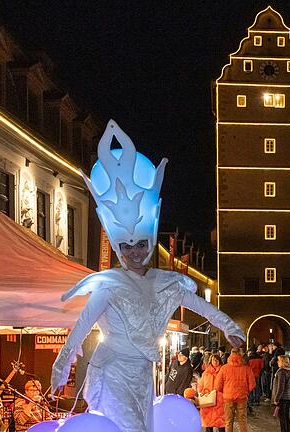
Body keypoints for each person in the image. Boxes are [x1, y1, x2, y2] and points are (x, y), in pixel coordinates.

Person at [51, 121, 246, 432]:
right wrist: (61, 365)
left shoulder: (165, 283)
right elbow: (83, 325)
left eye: (140, 244)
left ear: (150, 241)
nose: (134, 252)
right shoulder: (109, 284)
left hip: (142, 373)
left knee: (144, 427)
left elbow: (204, 308)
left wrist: (229, 328)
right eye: (126, 246)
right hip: (112, 369)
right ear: (117, 246)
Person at [215, 348, 256, 432]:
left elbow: (217, 385)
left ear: (230, 354)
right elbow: (252, 385)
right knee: (242, 420)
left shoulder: (224, 368)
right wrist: (246, 391)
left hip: (228, 398)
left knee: (228, 421)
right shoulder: (246, 368)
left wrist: (225, 392)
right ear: (240, 355)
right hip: (242, 397)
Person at [198, 355, 225, 432]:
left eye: (217, 360)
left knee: (221, 424)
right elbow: (201, 385)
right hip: (208, 400)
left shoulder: (223, 371)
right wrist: (201, 393)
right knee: (208, 424)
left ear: (220, 361)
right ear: (210, 361)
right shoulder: (206, 373)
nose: (215, 361)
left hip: (220, 401)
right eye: (213, 360)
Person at [272, 355, 290, 432]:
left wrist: (276, 399)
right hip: (289, 396)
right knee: (286, 416)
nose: (277, 362)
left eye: (279, 360)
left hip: (283, 397)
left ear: (282, 362)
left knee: (282, 417)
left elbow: (280, 387)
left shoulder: (281, 372)